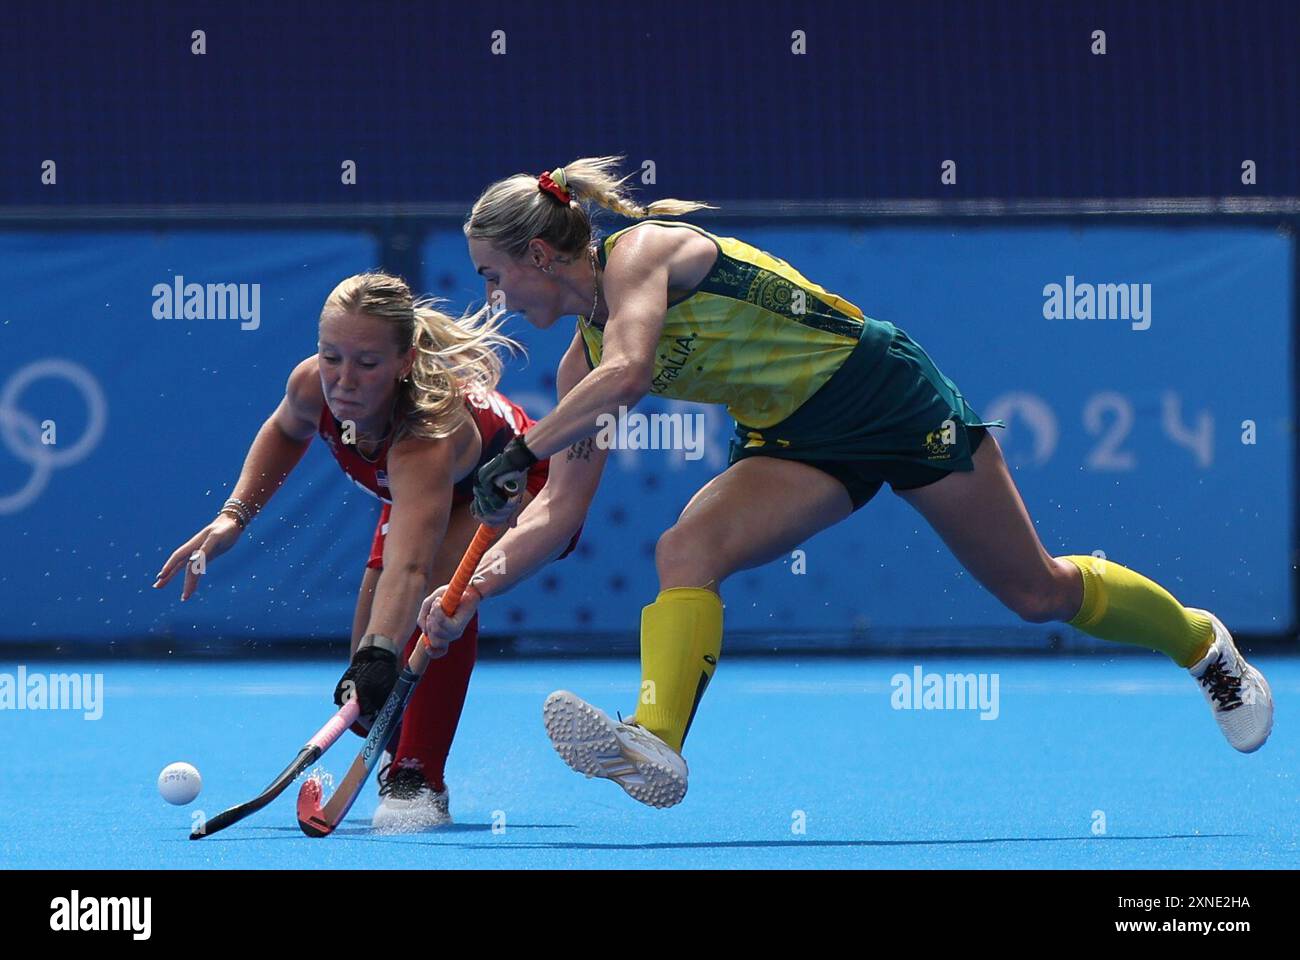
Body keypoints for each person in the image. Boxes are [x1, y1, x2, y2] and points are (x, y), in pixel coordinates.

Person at [420, 156, 1273, 809]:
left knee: (1038, 592)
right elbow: (560, 510)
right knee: (687, 547)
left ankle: (1204, 648)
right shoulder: (582, 365)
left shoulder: (639, 256)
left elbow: (635, 371)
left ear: (539, 253)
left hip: (885, 393)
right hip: (795, 439)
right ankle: (656, 741)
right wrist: (473, 587)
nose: (491, 295)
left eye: (495, 274)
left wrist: (522, 452)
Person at [155, 272, 566, 829]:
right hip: (413, 496)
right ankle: (397, 743)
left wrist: (381, 652)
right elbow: (286, 430)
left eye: (367, 364)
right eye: (332, 356)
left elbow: (413, 567)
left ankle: (418, 777)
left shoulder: (425, 433)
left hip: (505, 478)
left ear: (404, 361)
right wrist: (234, 516)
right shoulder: (311, 385)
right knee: (367, 691)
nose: (343, 380)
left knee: (437, 606)